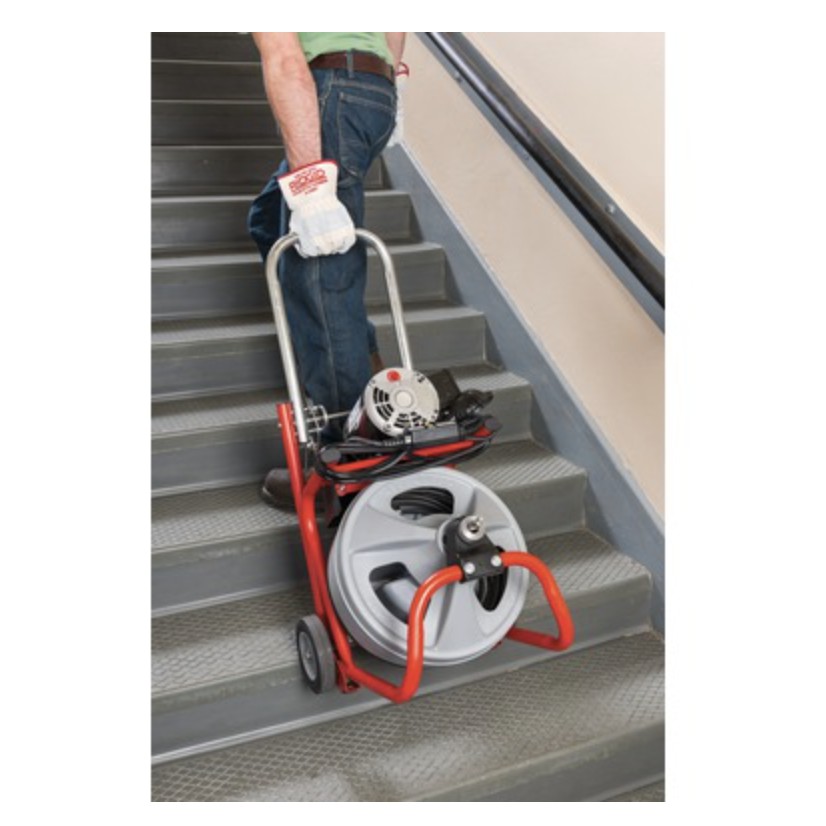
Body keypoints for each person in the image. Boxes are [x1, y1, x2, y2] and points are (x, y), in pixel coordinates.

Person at [247, 33, 407, 509]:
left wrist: (312, 193)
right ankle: (365, 362)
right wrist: (389, 86)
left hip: (332, 90)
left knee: (322, 278)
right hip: (374, 90)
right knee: (269, 220)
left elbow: (286, 62)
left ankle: (349, 464)